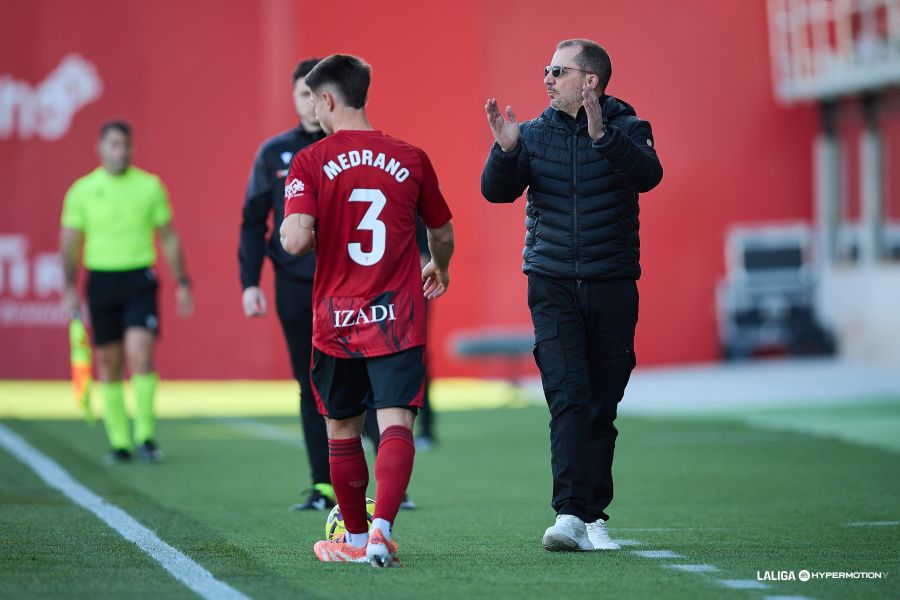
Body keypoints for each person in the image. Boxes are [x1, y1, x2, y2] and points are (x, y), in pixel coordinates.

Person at [481, 39, 663, 552]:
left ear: (590, 81)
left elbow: (649, 176)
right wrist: (506, 151)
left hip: (612, 283)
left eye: (558, 71)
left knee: (602, 403)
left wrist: (604, 137)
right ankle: (568, 515)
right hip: (552, 283)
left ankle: (593, 517)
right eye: (547, 69)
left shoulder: (631, 128)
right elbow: (495, 191)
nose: (547, 78)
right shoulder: (532, 134)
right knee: (568, 397)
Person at [280, 54, 454, 567]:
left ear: (327, 100)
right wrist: (440, 266)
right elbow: (441, 232)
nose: (313, 111)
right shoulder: (411, 157)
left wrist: (305, 231)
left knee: (342, 428)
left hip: (337, 318)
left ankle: (354, 537)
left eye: (314, 101)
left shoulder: (309, 160)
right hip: (396, 315)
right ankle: (382, 532)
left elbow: (294, 241)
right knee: (396, 422)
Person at [60, 120, 194, 464]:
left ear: (132, 148)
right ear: (100, 148)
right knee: (109, 362)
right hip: (101, 280)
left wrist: (182, 281)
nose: (120, 152)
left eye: (125, 145)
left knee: (141, 356)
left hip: (139, 280)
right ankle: (119, 441)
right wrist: (69, 287)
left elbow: (168, 235)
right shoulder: (82, 190)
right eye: (114, 145)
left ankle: (145, 435)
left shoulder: (149, 186)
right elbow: (70, 242)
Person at [239, 57, 334, 511]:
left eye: (317, 94)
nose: (310, 102)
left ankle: (392, 486)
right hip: (294, 285)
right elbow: (252, 221)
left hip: (347, 283)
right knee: (309, 381)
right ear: (294, 97)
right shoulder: (274, 153)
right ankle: (323, 486)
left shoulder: (348, 147)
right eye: (302, 93)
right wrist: (249, 282)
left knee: (363, 380)